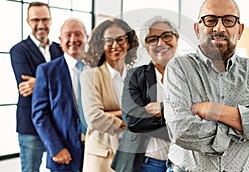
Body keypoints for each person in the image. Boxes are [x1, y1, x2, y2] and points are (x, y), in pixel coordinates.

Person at [164, 0, 249, 172]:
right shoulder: (179, 68)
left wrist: (213, 110)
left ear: (240, 30)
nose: (219, 27)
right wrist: (247, 120)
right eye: (210, 20)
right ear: (197, 29)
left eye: (229, 20)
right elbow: (182, 130)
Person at [111, 16, 179, 172]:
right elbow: (133, 120)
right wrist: (178, 122)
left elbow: (200, 116)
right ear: (146, 46)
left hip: (181, 164)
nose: (160, 43)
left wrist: (163, 109)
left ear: (177, 39)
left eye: (166, 36)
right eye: (152, 39)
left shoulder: (191, 76)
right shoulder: (135, 76)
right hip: (145, 164)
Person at [10, 1, 63, 172]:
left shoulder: (60, 50)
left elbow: (69, 82)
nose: (41, 25)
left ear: (51, 20)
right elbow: (26, 87)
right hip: (30, 124)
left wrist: (39, 82)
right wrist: (57, 82)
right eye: (35, 20)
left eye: (45, 19)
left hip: (58, 123)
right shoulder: (19, 50)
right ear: (28, 21)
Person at [80, 18, 139, 172]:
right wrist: (127, 119)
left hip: (132, 156)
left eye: (120, 39)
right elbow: (94, 118)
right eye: (109, 41)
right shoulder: (90, 76)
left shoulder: (137, 77)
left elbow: (147, 113)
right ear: (101, 45)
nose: (115, 45)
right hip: (102, 157)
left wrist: (112, 113)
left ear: (128, 42)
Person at [31, 18, 88, 172]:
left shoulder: (96, 69)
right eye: (68, 35)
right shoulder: (46, 71)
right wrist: (55, 148)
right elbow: (39, 115)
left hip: (95, 152)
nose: (73, 40)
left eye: (78, 34)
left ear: (86, 37)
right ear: (60, 41)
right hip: (64, 153)